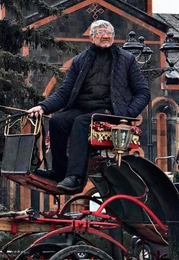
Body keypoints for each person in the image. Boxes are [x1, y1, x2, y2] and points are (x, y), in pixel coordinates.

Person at [28, 20, 150, 193]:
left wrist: (127, 114)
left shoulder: (127, 60)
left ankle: (75, 178)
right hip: (83, 108)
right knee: (57, 121)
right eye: (100, 32)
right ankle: (59, 172)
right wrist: (42, 107)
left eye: (109, 33)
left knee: (82, 122)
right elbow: (64, 92)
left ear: (113, 37)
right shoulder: (80, 60)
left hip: (110, 111)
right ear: (92, 38)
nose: (105, 36)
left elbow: (143, 92)